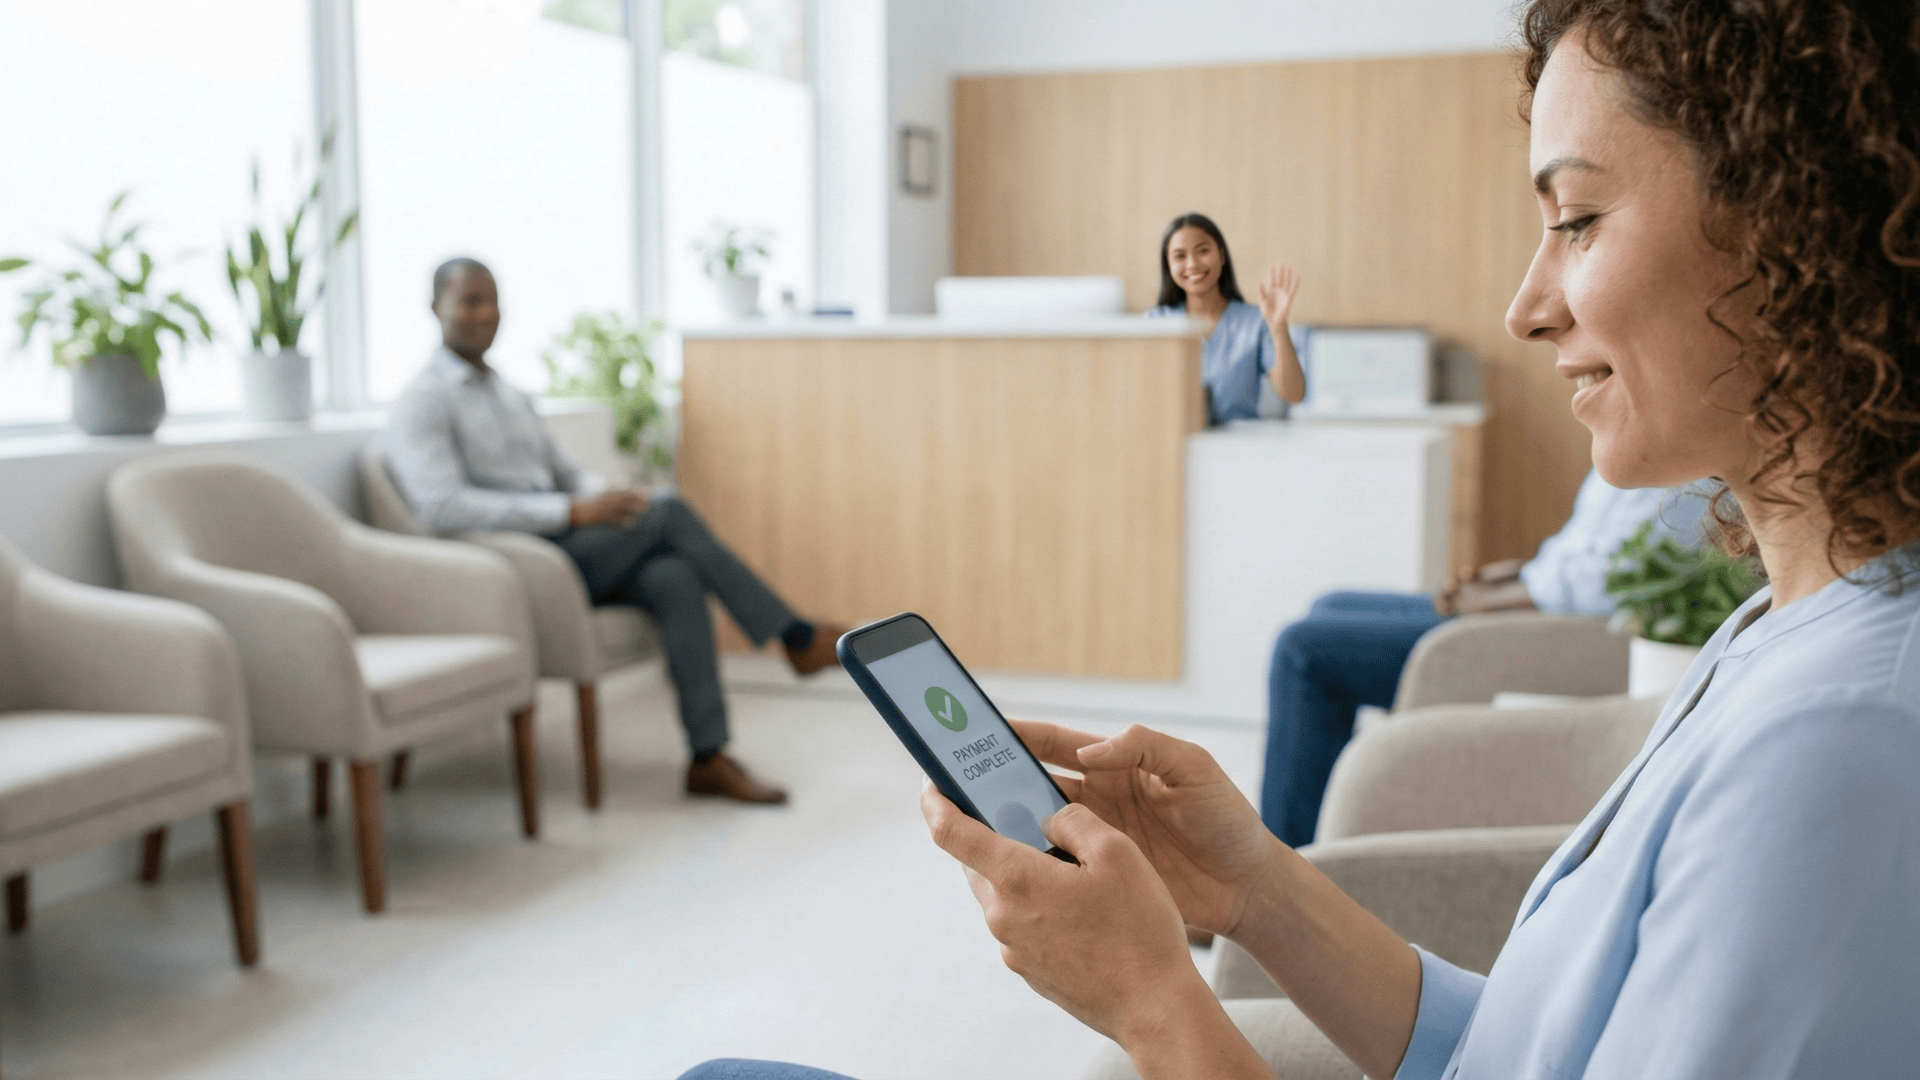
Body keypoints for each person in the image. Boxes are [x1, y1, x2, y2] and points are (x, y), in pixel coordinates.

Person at [684, 0, 1920, 1076]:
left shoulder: (1840, 747)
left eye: (1579, 219)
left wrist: (1155, 1005)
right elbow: (1521, 1054)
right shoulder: (1789, 622)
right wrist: (1256, 888)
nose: (1526, 304)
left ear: (1798, 224)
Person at [386, 258, 847, 805]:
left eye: (492, 300)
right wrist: (569, 513)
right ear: (434, 306)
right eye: (469, 301)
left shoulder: (509, 394)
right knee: (670, 511)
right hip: (521, 562)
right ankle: (795, 637)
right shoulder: (423, 400)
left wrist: (603, 497)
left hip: (573, 548)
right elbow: (442, 507)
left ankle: (708, 757)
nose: (484, 313)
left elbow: (564, 471)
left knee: (675, 575)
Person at [1261, 468, 1709, 847]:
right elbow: (1580, 553)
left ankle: (1275, 872)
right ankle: (1317, 842)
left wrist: (1499, 600)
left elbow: (1612, 583)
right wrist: (1506, 576)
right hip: (1531, 599)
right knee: (1332, 605)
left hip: (1548, 634)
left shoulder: (1688, 470)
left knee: (1304, 651)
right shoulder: (1636, 444)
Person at [1145, 212, 1308, 424]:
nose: (1192, 264)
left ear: (1221, 255)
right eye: (1179, 256)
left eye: (1203, 251)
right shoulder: (1152, 324)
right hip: (1172, 446)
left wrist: (1278, 327)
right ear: (1168, 266)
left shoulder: (1255, 322)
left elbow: (1294, 395)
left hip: (1238, 449)